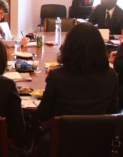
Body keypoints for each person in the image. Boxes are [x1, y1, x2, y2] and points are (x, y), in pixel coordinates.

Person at [37, 23, 119, 155]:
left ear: (68, 47)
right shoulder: (110, 75)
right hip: (99, 144)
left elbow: (43, 114)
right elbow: (113, 112)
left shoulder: (58, 75)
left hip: (62, 144)